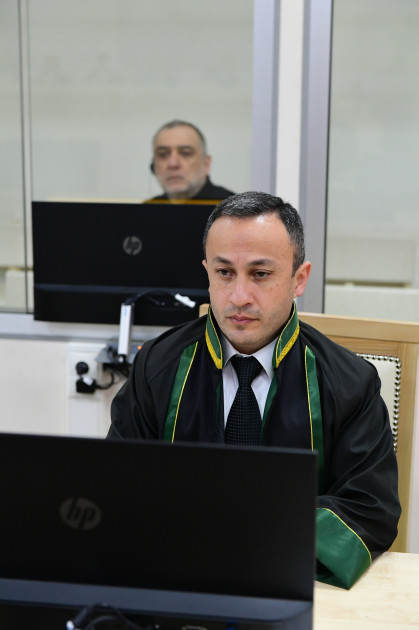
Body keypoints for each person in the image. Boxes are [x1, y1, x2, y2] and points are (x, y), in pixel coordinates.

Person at [108, 191, 400, 590]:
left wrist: (243, 535)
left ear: (299, 279)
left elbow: (369, 509)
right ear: (207, 272)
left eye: (260, 274)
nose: (239, 297)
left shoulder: (351, 383)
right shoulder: (156, 367)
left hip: (293, 584)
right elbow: (118, 485)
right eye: (224, 273)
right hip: (180, 582)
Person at [150, 120, 234, 200]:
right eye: (163, 154)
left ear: (206, 164)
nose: (173, 164)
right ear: (154, 166)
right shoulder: (146, 209)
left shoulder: (234, 207)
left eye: (185, 153)